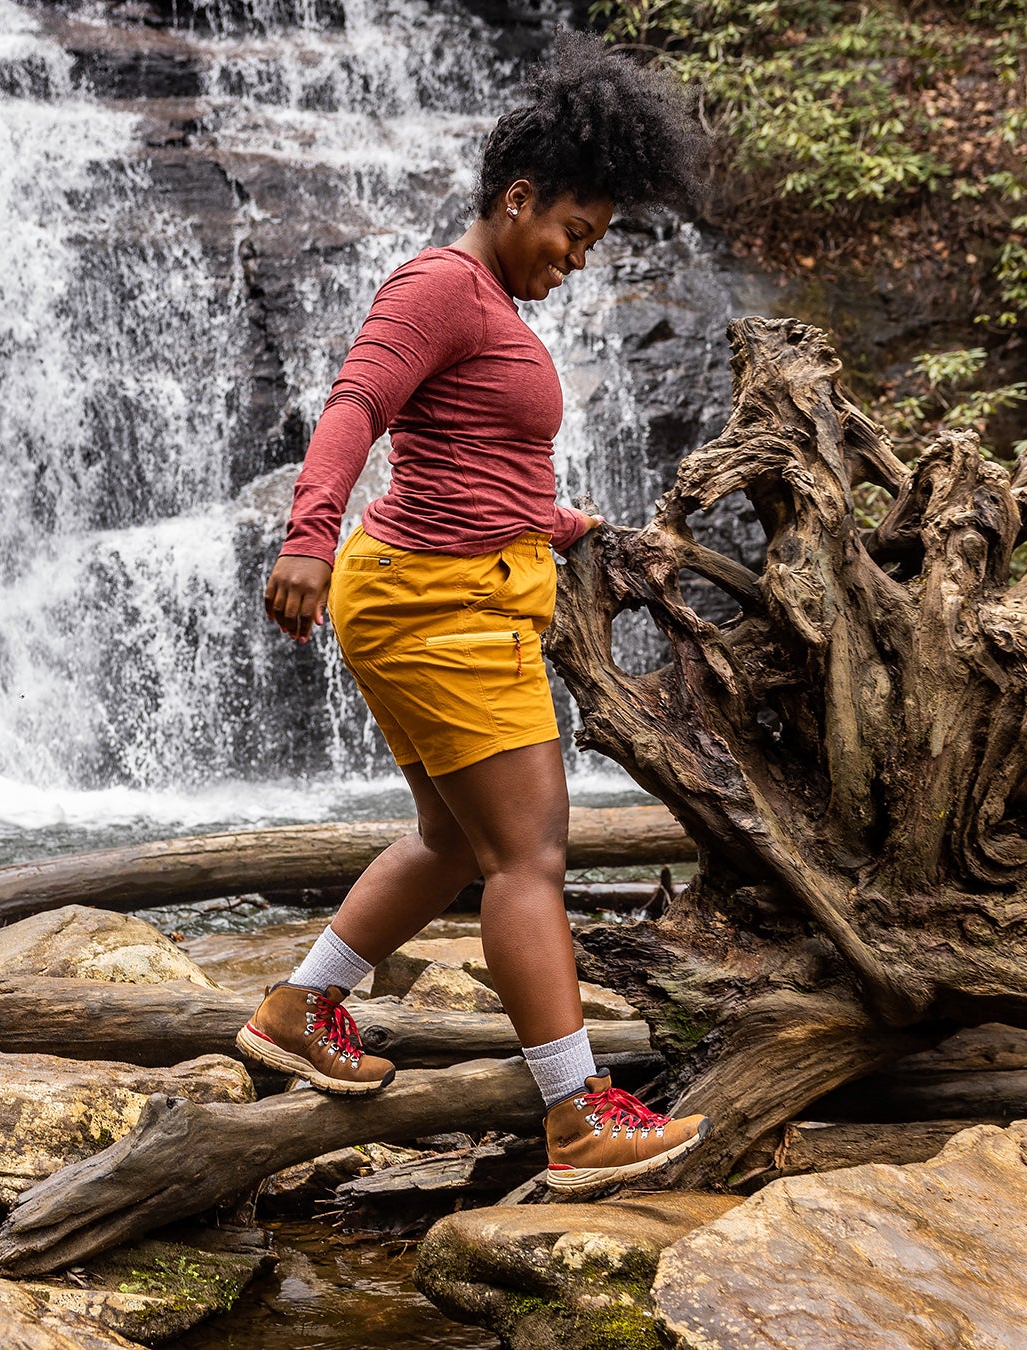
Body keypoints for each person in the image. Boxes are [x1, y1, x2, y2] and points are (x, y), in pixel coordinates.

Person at [235, 32, 709, 1193]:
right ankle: (577, 1116)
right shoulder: (443, 284)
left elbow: (465, 459)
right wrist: (306, 533)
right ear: (516, 198)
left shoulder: (487, 294)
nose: (580, 259)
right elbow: (359, 401)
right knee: (530, 853)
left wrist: (559, 526)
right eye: (574, 233)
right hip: (437, 605)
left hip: (452, 591)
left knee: (456, 841)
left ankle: (299, 1008)